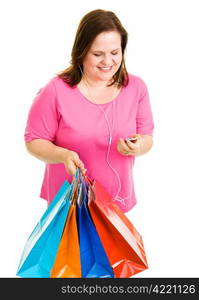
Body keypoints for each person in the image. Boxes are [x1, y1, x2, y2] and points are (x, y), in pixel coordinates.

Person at [24, 9, 154, 213]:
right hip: (68, 204)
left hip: (115, 203)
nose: (108, 62)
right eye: (97, 54)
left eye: (115, 52)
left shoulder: (135, 87)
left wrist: (138, 146)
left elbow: (147, 138)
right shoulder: (56, 90)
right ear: (81, 51)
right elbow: (34, 141)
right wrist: (63, 155)